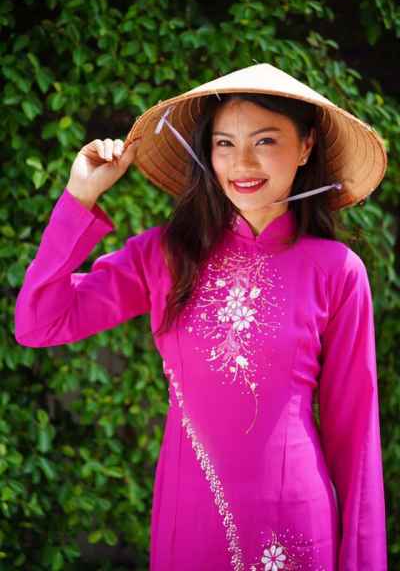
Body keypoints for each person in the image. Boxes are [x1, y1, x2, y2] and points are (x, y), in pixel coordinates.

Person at [14, 63, 388, 570]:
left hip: (296, 526)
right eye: (224, 143)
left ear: (306, 147)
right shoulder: (166, 255)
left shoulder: (338, 271)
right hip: (188, 520)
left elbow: (355, 436)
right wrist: (80, 197)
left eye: (265, 140)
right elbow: (39, 322)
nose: (242, 162)